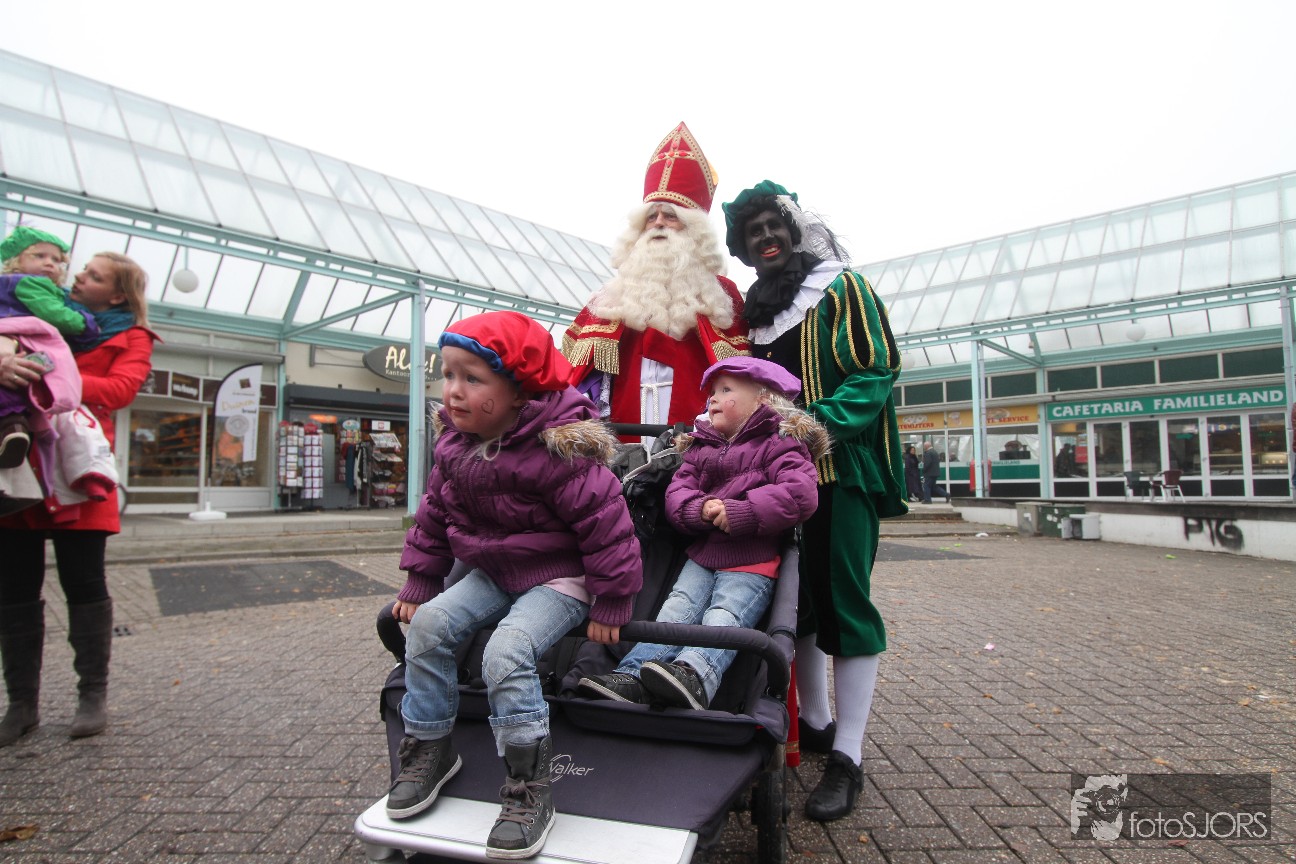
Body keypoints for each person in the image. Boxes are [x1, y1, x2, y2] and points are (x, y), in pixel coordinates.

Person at [387, 311, 642, 859]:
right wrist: (421, 579)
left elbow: (607, 525)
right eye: (448, 374)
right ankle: (431, 745)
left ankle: (529, 784)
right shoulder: (455, 446)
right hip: (495, 571)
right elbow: (433, 516)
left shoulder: (559, 451)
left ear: (520, 392)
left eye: (471, 378)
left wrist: (615, 597)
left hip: (560, 577)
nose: (453, 391)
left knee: (506, 652)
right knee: (428, 626)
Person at [721, 181, 907, 822]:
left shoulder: (841, 289)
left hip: (836, 470)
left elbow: (876, 370)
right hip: (773, 480)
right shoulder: (754, 314)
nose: (766, 238)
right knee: (793, 605)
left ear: (795, 229)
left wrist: (813, 424)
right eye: (753, 232)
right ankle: (817, 724)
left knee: (844, 603)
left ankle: (848, 757)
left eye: (774, 225)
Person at [577, 357, 826, 710]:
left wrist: (742, 511)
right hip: (702, 556)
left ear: (763, 399)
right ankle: (633, 674)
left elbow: (800, 494)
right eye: (712, 392)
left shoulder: (781, 445)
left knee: (725, 616)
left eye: (725, 390)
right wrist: (699, 509)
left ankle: (696, 674)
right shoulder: (700, 448)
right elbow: (678, 493)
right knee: (674, 613)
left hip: (751, 559)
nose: (713, 398)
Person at [0, 250, 156, 746]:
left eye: (93, 276)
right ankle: (21, 704)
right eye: (81, 271)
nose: (77, 278)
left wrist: (49, 374)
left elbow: (120, 389)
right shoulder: (32, 310)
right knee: (15, 589)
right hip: (23, 463)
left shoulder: (132, 337)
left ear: (117, 295)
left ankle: (92, 696)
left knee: (85, 582)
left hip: (80, 468)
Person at [562, 122, 749, 434]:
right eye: (651, 216)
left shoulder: (722, 297)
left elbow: (743, 382)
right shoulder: (613, 297)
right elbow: (579, 378)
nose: (658, 223)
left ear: (695, 229)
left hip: (698, 440)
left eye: (671, 216)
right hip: (622, 436)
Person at [0, 226, 100, 468]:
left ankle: (15, 428)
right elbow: (54, 315)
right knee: (25, 378)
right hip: (18, 334)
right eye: (39, 256)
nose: (49, 263)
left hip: (14, 337)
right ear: (16, 260)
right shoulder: (28, 283)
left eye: (56, 260)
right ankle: (15, 426)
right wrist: (85, 324)